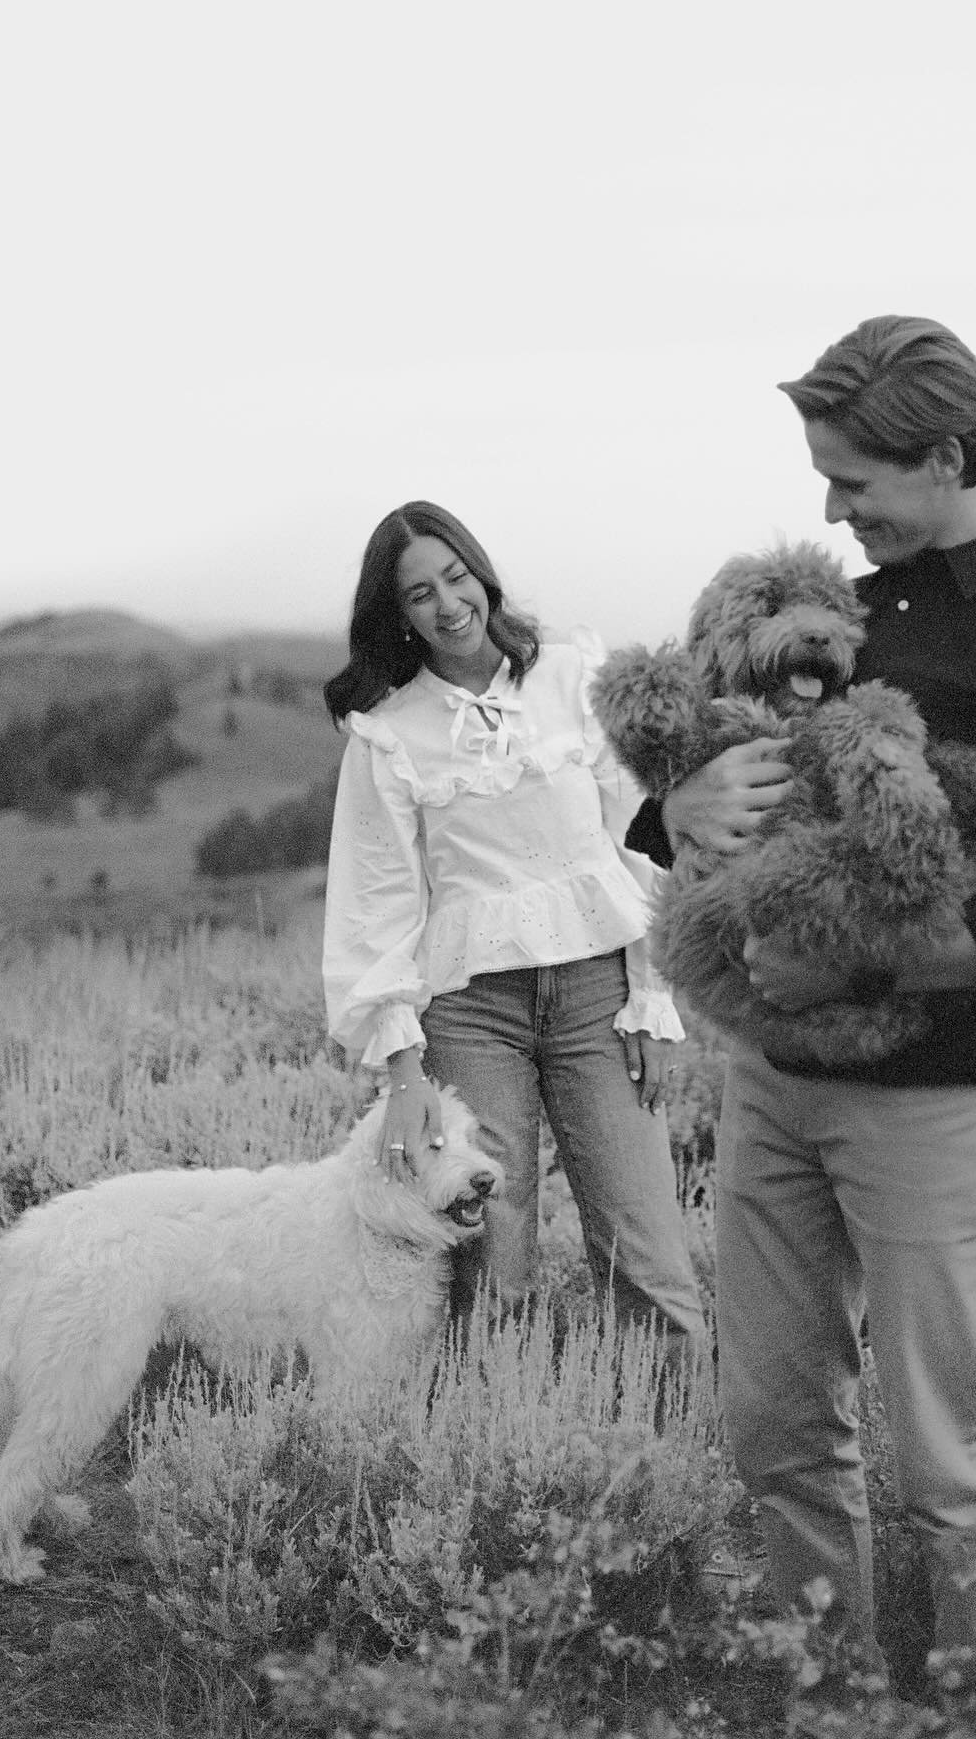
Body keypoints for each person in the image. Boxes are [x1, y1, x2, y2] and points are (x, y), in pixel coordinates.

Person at [625, 316, 976, 1672]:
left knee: (953, 1457)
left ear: (949, 458)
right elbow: (723, 764)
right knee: (782, 1433)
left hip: (936, 1099)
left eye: (854, 480)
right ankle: (824, 1693)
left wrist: (858, 962)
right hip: (775, 1084)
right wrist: (673, 807)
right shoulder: (852, 609)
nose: (832, 508)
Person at [320, 501, 706, 1376]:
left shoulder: (574, 680)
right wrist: (405, 1072)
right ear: (399, 614)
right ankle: (496, 1466)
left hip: (598, 996)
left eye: (456, 578)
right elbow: (374, 905)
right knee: (493, 1265)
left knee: (649, 1253)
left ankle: (683, 1470)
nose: (448, 605)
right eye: (420, 595)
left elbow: (637, 843)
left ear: (482, 575)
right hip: (469, 1012)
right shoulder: (389, 733)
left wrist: (651, 996)